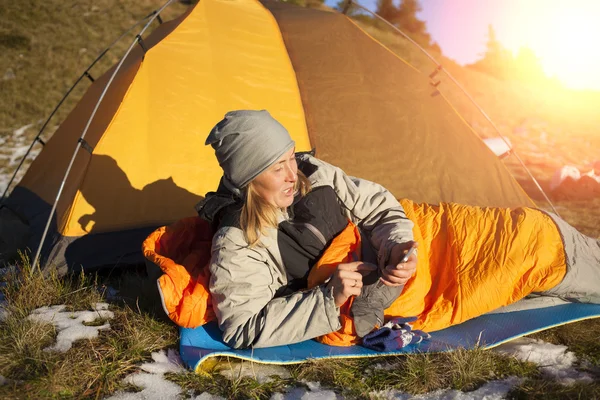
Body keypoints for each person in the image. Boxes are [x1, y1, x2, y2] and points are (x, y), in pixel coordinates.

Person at [197, 110, 600, 350]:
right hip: (388, 287)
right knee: (538, 247)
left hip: (418, 239)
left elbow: (376, 203)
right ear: (248, 179)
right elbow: (241, 326)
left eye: (290, 157)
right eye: (276, 167)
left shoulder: (311, 172)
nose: (292, 173)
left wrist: (398, 242)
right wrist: (327, 297)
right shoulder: (240, 241)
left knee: (529, 228)